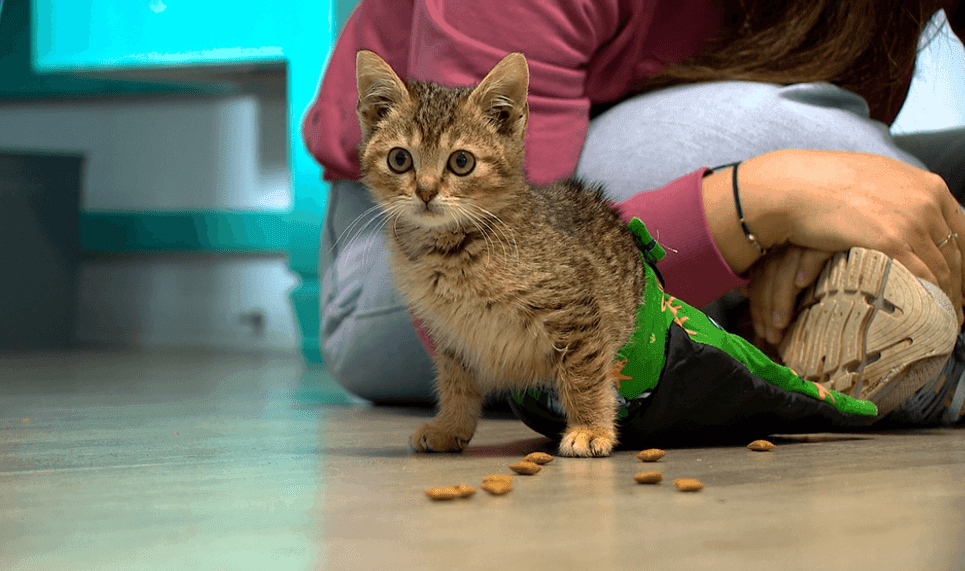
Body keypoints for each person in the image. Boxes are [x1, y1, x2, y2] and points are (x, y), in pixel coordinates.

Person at [304, 0, 965, 423]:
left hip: (623, 195)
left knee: (924, 174)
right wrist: (767, 201)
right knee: (811, 140)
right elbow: (484, 253)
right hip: (428, 240)